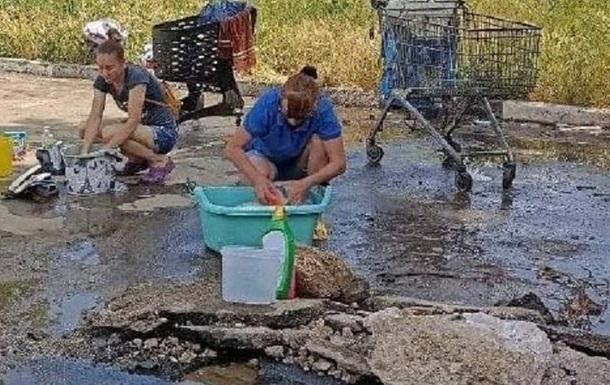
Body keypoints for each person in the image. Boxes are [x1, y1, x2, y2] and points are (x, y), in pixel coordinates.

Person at [224, 68, 346, 205]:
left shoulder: (323, 108)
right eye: (288, 114)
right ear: (281, 100)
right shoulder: (268, 104)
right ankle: (263, 202)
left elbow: (339, 163)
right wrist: (257, 179)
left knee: (319, 142)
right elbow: (232, 148)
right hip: (265, 160)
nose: (293, 121)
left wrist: (305, 183)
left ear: (314, 106)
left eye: (301, 117)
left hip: (301, 164)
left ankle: (310, 200)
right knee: (257, 171)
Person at [80, 36, 178, 184]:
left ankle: (159, 160)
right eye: (100, 68)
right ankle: (137, 159)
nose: (104, 73)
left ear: (123, 64)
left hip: (162, 133)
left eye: (109, 68)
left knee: (110, 133)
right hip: (143, 129)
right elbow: (95, 117)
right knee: (84, 128)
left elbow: (133, 121)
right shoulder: (103, 80)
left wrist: (105, 151)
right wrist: (84, 154)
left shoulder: (136, 77)